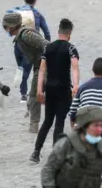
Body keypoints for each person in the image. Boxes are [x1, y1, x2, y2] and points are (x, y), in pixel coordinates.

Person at [29, 18, 78, 163]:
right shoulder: (71, 48)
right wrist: (75, 85)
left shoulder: (48, 48)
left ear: (58, 32)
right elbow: (75, 67)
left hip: (49, 88)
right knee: (60, 121)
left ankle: (36, 152)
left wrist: (39, 90)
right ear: (69, 33)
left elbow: (42, 69)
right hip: (63, 88)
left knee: (47, 121)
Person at [2, 12, 49, 133]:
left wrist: (44, 65)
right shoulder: (20, 37)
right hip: (40, 66)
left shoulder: (26, 35)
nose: (5, 29)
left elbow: (47, 46)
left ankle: (34, 126)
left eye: (5, 27)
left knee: (34, 95)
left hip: (45, 66)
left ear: (11, 26)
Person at [68, 57, 102, 147]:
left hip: (82, 131)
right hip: (99, 131)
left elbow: (72, 112)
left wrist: (74, 131)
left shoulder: (82, 88)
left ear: (93, 70)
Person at [12, 0, 51, 103]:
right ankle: (34, 92)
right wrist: (45, 47)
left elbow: (11, 30)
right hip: (33, 46)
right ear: (35, 0)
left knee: (21, 69)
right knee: (36, 70)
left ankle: (23, 94)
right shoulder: (37, 14)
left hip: (18, 45)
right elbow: (47, 33)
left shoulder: (17, 12)